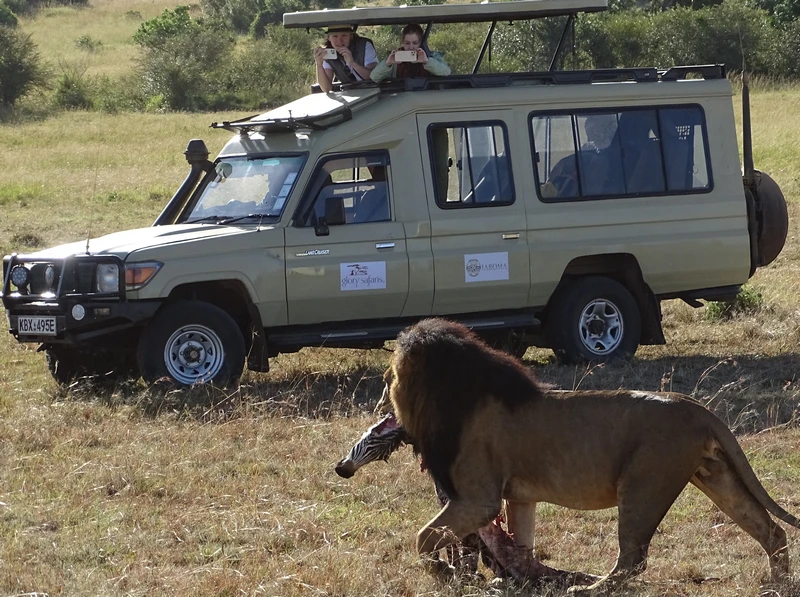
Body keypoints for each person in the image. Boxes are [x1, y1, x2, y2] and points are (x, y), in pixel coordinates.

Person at [370, 24, 451, 83]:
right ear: (402, 43)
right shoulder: (396, 58)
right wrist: (388, 63)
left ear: (421, 43)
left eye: (415, 43)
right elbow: (374, 77)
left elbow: (446, 72)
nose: (411, 47)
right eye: (407, 43)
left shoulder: (431, 56)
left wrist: (427, 61)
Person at [314, 25, 378, 93]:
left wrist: (353, 63)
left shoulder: (364, 45)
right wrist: (319, 65)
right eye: (335, 36)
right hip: (349, 93)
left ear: (350, 36)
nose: (339, 41)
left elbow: (373, 77)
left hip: (372, 91)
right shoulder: (328, 54)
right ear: (329, 38)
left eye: (344, 35)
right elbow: (326, 88)